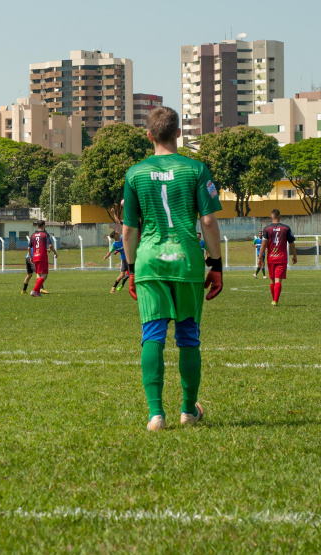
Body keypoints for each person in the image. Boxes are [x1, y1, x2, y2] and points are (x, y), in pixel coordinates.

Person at [122, 106, 223, 432]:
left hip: (150, 261)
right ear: (178, 133)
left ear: (149, 136)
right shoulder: (196, 169)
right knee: (188, 336)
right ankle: (187, 411)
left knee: (152, 335)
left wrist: (131, 268)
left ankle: (155, 415)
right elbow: (207, 221)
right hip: (187, 261)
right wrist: (217, 264)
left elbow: (128, 230)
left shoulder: (134, 174)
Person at [258, 209, 297, 306]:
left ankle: (273, 300)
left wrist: (259, 258)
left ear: (271, 217)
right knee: (278, 280)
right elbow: (291, 243)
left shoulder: (266, 229)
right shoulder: (286, 228)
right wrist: (295, 255)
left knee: (272, 280)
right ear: (280, 216)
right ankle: (275, 300)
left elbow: (263, 244)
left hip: (271, 258)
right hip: (282, 258)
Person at [28, 220, 57, 297]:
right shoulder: (45, 234)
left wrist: (31, 257)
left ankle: (37, 292)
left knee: (38, 274)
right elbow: (50, 245)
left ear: (37, 226)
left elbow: (28, 248)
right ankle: (34, 290)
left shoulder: (33, 235)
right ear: (44, 226)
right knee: (45, 275)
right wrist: (55, 252)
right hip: (42, 257)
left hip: (35, 256)